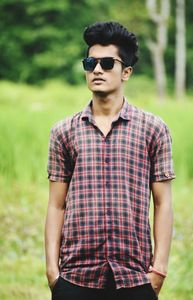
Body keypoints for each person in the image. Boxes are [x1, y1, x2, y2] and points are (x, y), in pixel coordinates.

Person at [45, 21, 175, 300]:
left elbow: (163, 202)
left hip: (134, 276)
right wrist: (52, 272)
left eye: (107, 63)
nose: (97, 70)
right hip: (75, 276)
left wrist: (159, 269)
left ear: (126, 72)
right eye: (90, 62)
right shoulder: (63, 132)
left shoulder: (154, 129)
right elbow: (56, 205)